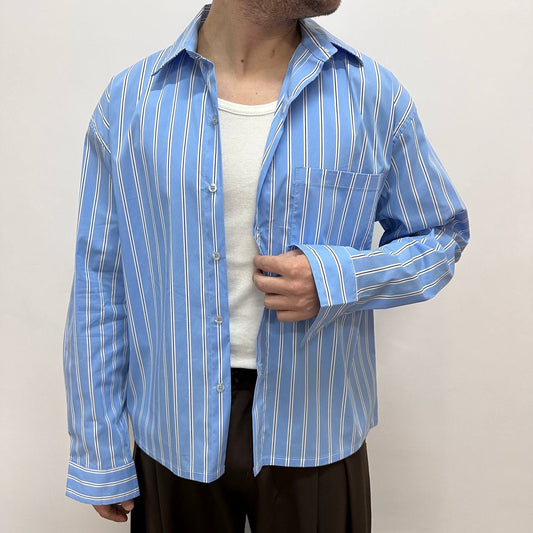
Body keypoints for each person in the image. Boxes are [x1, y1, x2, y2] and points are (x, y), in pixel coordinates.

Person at [63, 1, 469, 531]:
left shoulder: (371, 95)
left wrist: (336, 279)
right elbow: (101, 280)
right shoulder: (131, 103)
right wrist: (99, 449)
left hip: (317, 425)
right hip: (173, 423)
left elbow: (440, 235)